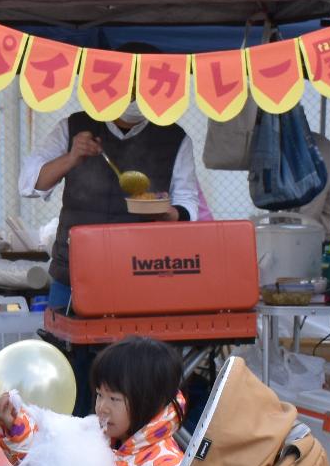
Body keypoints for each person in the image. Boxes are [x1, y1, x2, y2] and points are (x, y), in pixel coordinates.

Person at [18, 52, 201, 313]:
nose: (134, 96)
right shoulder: (73, 127)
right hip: (74, 271)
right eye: (129, 86)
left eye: (142, 88)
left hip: (144, 271)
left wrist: (168, 213)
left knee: (135, 352)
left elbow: (187, 200)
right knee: (69, 349)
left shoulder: (174, 137)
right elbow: (29, 184)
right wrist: (71, 158)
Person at [0, 336, 187, 466]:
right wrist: (14, 427)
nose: (102, 406)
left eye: (114, 399)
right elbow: (42, 459)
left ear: (149, 401)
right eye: (99, 395)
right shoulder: (94, 437)